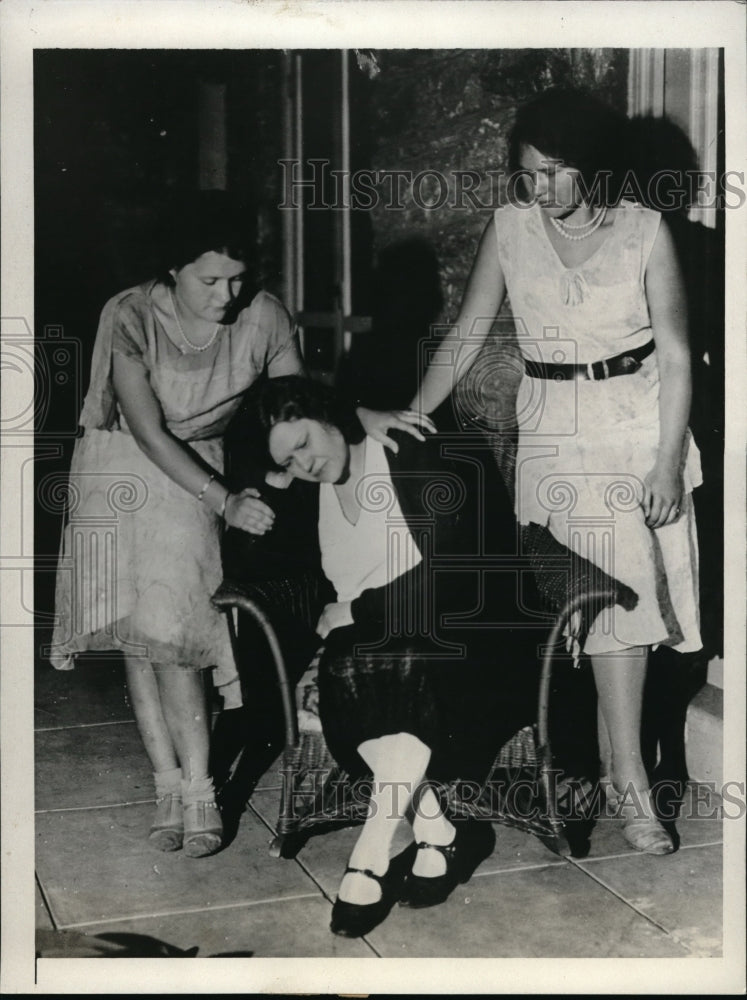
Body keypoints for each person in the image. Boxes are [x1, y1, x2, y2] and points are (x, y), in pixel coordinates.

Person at [49, 191, 430, 859]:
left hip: (203, 467)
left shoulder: (262, 314)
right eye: (210, 280)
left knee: (175, 628)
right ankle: (169, 786)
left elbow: (295, 400)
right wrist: (222, 498)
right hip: (126, 464)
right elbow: (144, 428)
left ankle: (201, 790)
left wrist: (363, 418)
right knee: (138, 635)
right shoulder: (130, 313)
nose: (228, 293)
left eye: (237, 277)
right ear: (172, 269)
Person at [409, 88, 703, 855]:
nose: (535, 188)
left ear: (595, 169)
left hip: (633, 425)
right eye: (525, 172)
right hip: (549, 428)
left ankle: (629, 784)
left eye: (552, 172)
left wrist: (667, 460)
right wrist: (415, 409)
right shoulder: (509, 227)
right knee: (579, 607)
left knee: (623, 610)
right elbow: (467, 331)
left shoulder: (645, 230)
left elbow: (674, 353)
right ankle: (599, 766)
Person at [244, 375, 543, 938]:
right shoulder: (313, 489)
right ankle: (437, 833)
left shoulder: (406, 451)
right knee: (351, 658)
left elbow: (458, 573)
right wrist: (264, 483)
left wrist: (360, 613)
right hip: (374, 657)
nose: (305, 462)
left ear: (329, 415)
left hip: (466, 646)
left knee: (380, 651)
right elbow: (256, 530)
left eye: (305, 441)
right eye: (289, 458)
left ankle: (371, 853)